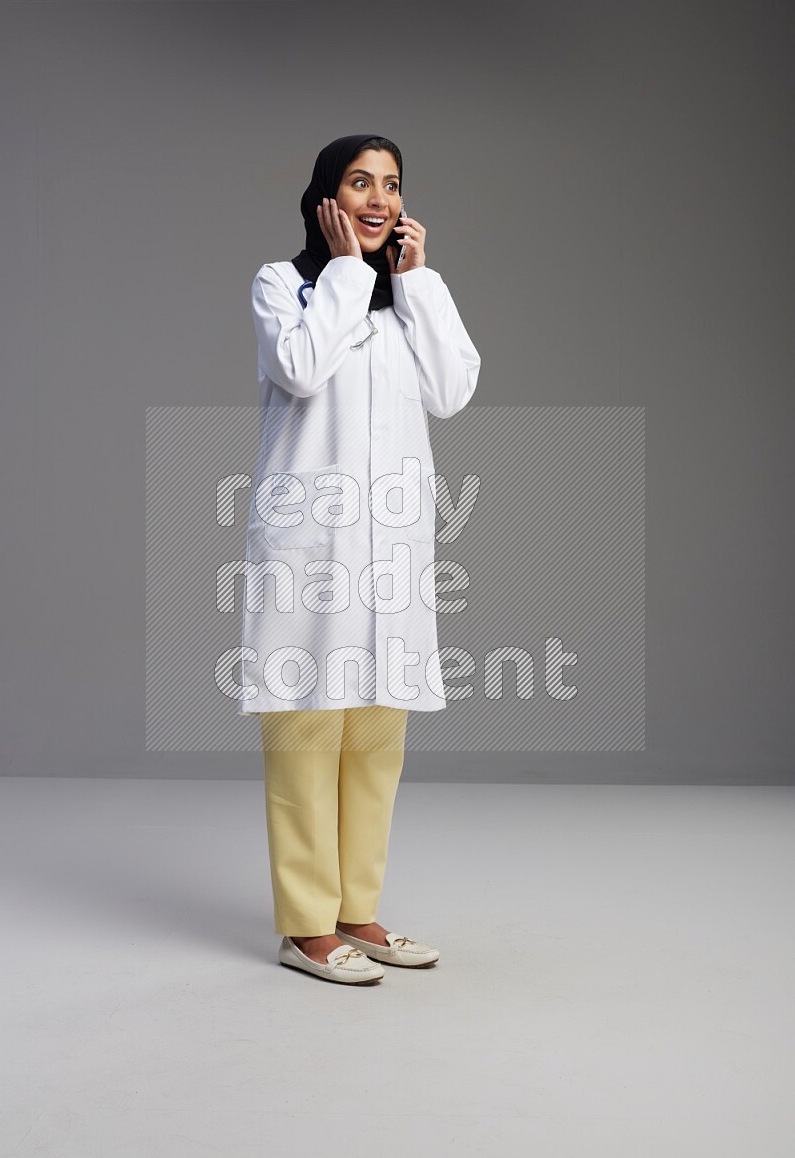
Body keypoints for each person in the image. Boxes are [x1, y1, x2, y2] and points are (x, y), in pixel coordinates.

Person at [239, 134, 481, 984]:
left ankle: (358, 911)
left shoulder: (407, 301)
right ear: (326, 197)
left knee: (378, 734)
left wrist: (415, 282)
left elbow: (452, 391)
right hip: (313, 550)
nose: (378, 198)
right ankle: (305, 927)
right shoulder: (288, 284)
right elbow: (300, 369)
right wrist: (346, 273)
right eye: (359, 182)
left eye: (392, 185)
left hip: (393, 549)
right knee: (306, 728)